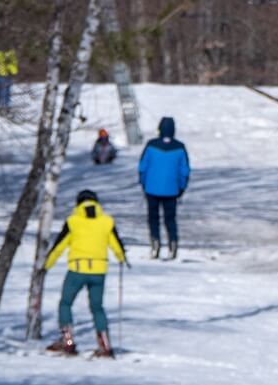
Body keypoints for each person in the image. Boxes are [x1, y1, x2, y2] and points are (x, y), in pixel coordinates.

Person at [43, 190, 128, 358]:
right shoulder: (107, 221)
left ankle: (67, 342)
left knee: (66, 304)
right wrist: (122, 258)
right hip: (99, 271)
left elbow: (59, 245)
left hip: (77, 269)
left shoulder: (73, 221)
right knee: (97, 307)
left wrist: (46, 265)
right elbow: (116, 244)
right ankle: (105, 345)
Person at [138, 116, 190, 260]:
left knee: (153, 218)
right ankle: (173, 244)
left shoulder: (151, 145)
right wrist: (181, 187)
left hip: (151, 189)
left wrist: (143, 183)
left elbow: (142, 167)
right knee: (170, 219)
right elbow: (184, 171)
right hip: (172, 190)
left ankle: (155, 243)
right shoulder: (180, 147)